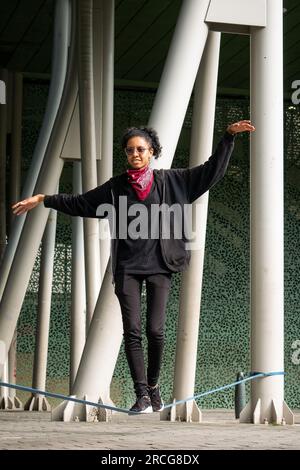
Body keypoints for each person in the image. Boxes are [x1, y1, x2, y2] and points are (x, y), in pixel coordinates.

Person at [12, 120, 255, 413]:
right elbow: (80, 203)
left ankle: (153, 387)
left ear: (151, 152)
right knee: (133, 331)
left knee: (155, 330)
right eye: (130, 150)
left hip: (160, 266)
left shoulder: (173, 181)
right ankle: (141, 394)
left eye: (141, 149)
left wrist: (228, 137)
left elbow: (211, 171)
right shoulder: (116, 188)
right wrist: (44, 199)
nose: (135, 154)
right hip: (127, 267)